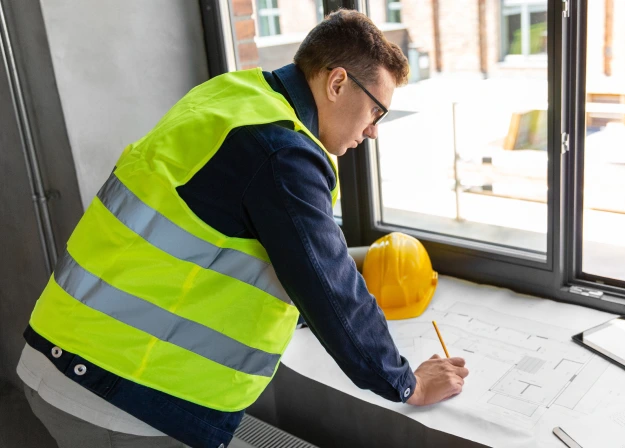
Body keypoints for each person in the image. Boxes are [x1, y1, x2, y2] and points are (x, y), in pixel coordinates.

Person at [16, 9, 468, 448]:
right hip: (118, 396)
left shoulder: (230, 97)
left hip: (68, 349)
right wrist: (408, 384)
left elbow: (217, 237)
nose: (373, 131)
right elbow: (329, 288)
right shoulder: (281, 150)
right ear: (337, 83)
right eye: (376, 111)